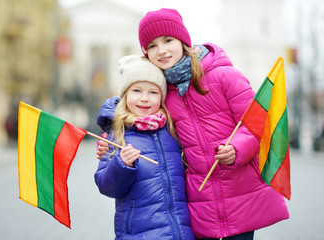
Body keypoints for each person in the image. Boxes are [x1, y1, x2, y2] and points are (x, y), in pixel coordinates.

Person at [97, 8, 289, 240]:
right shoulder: (162, 92)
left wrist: (237, 148)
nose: (162, 50)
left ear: (183, 41)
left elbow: (257, 124)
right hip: (200, 201)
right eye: (152, 46)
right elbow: (138, 114)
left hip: (241, 193)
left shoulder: (225, 76)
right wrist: (110, 136)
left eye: (168, 40)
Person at [94, 55, 195, 240]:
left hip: (179, 232)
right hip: (139, 234)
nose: (144, 98)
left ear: (162, 97)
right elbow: (105, 185)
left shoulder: (172, 130)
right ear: (125, 95)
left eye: (153, 92)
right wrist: (121, 165)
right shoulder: (117, 135)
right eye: (137, 90)